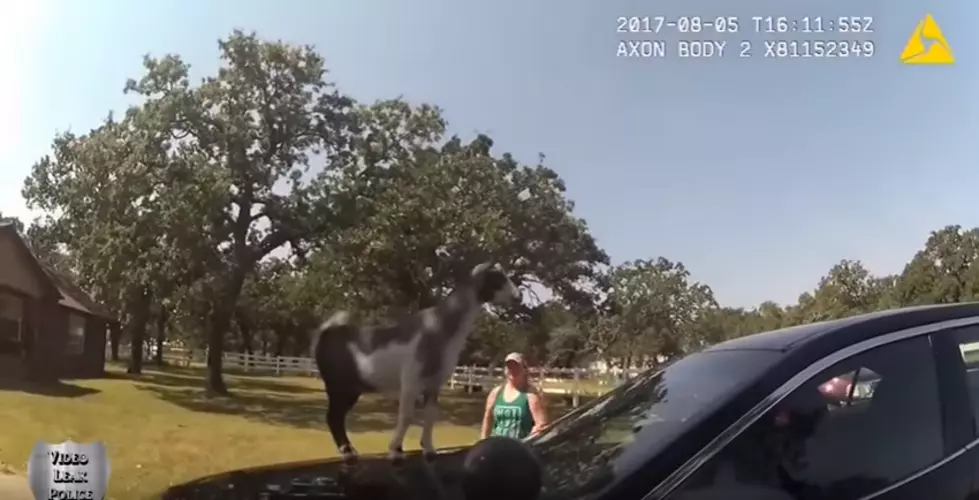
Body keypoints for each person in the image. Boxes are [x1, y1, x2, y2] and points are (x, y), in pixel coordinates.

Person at [480, 352, 548, 440]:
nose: (512, 370)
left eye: (516, 366)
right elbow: (487, 418)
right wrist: (482, 443)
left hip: (519, 449)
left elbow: (541, 424)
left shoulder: (531, 395)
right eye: (509, 367)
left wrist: (532, 436)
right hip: (496, 447)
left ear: (524, 369)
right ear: (505, 370)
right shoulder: (496, 392)